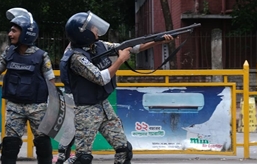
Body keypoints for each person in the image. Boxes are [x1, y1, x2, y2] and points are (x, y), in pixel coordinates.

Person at [59, 11, 174, 164]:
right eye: (92, 27)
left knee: (124, 150)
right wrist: (120, 60)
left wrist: (157, 41)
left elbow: (130, 47)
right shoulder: (76, 57)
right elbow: (100, 78)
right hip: (86, 110)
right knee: (83, 158)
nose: (96, 29)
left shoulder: (99, 46)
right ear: (84, 33)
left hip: (104, 106)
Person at [0, 8, 55, 164]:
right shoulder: (9, 53)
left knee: (43, 144)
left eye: (14, 31)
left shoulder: (41, 56)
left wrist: (54, 108)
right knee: (10, 146)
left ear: (27, 32)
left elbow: (51, 82)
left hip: (37, 107)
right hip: (14, 107)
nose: (10, 34)